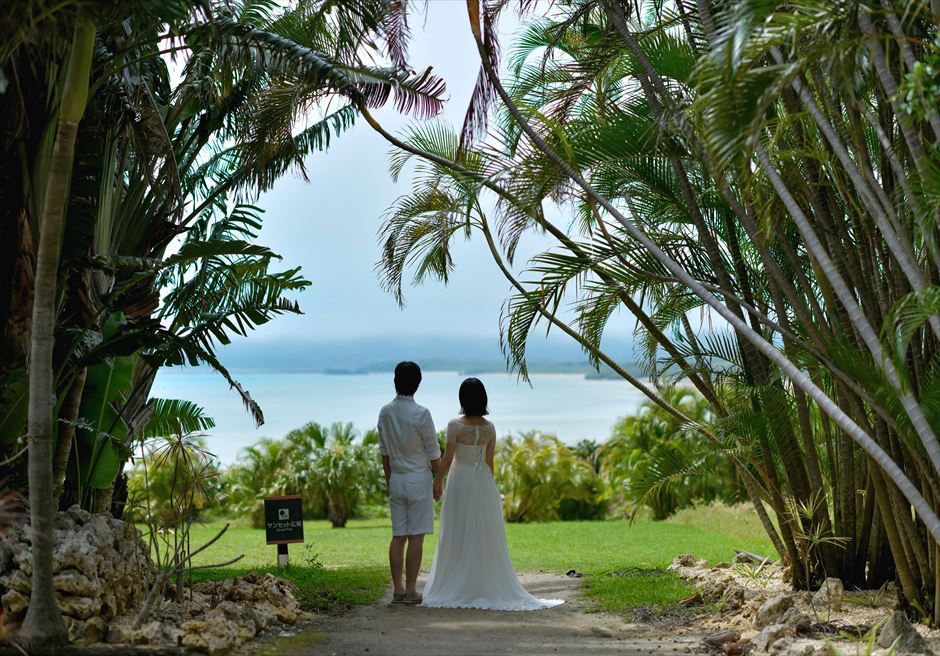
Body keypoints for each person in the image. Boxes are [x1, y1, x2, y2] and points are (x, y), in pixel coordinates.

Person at [421, 377, 564, 610]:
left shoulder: (455, 426)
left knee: (457, 530)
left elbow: (447, 459)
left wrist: (437, 481)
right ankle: (481, 580)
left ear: (462, 399)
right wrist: (490, 487)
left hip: (460, 482)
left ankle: (456, 581)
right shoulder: (489, 428)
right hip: (483, 482)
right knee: (482, 532)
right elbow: (489, 463)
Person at [376, 361, 441, 605]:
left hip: (397, 479)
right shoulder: (421, 413)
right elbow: (433, 452)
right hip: (417, 480)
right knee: (416, 537)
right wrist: (439, 480)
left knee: (398, 536)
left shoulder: (385, 412)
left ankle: (398, 590)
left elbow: (384, 452)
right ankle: (412, 590)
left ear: (395, 381)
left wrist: (389, 480)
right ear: (418, 384)